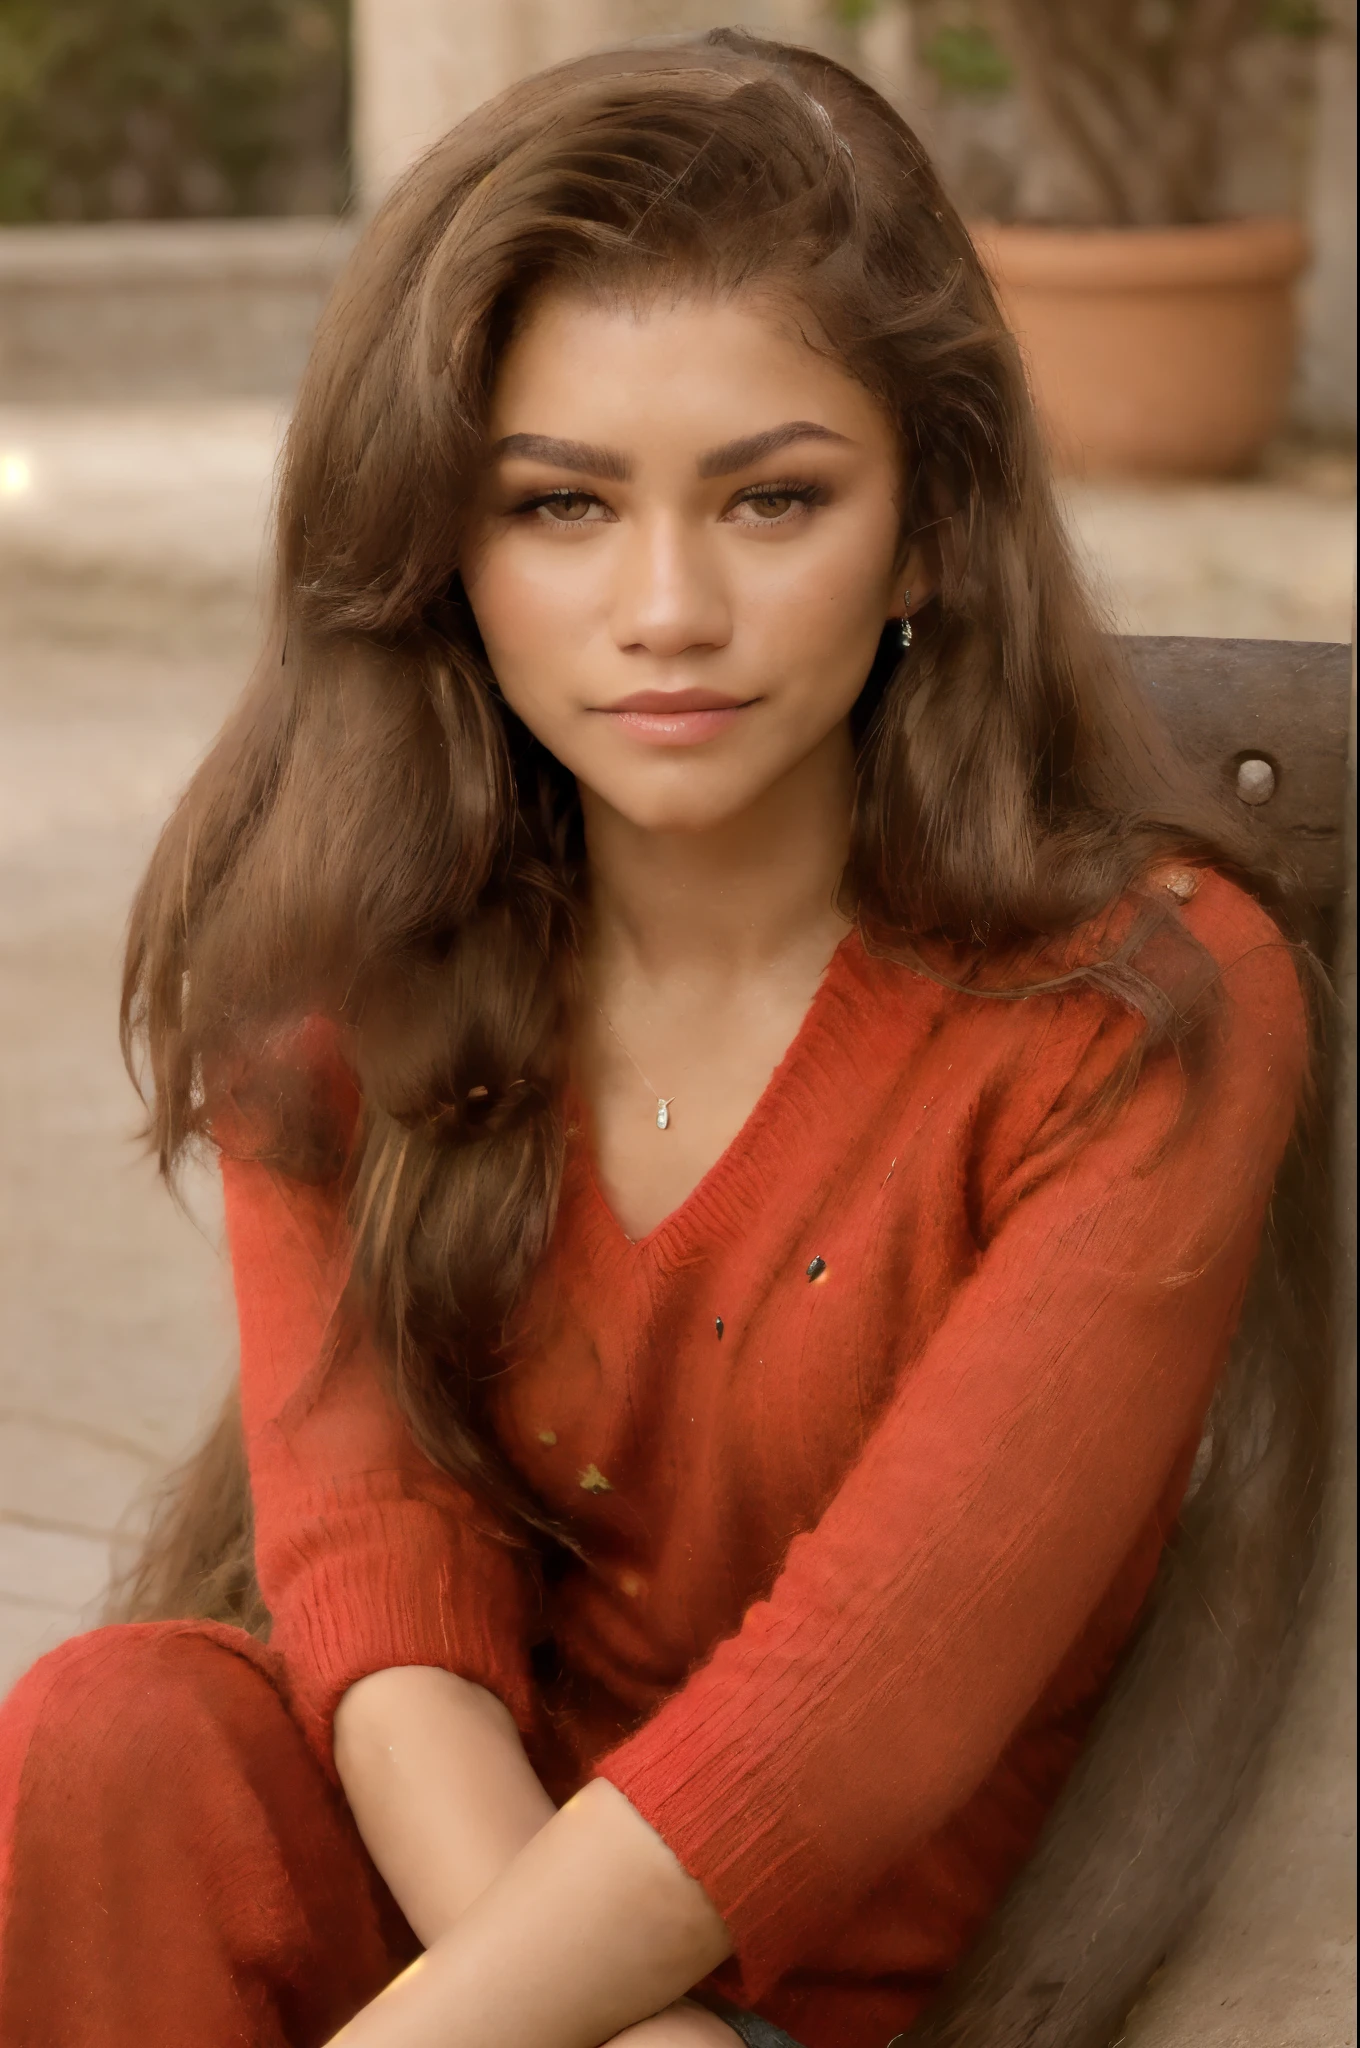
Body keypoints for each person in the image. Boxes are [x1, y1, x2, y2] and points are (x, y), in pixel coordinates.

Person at [0, 30, 1310, 2048]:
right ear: (445, 546)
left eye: (771, 498)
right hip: (449, 1942)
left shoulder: (1133, 1007)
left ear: (928, 529)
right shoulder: (341, 954)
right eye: (560, 508)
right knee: (117, 1735)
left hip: (812, 1992)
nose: (665, 607)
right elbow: (380, 1573)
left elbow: (856, 1706)